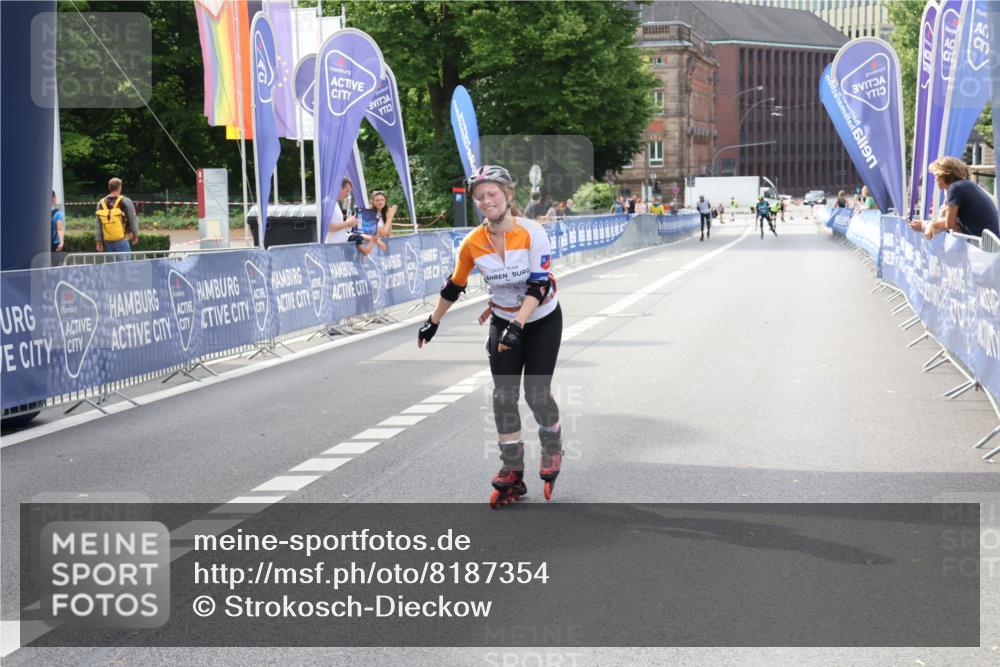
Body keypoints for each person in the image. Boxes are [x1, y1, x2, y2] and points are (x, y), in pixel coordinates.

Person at [416, 165, 564, 508]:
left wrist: (518, 324)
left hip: (540, 317)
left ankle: (552, 445)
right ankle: (512, 469)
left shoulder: (531, 232)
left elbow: (538, 285)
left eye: (492, 194)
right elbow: (455, 285)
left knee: (536, 393)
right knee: (503, 396)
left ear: (508, 195)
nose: (486, 202)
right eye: (480, 197)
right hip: (503, 318)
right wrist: (433, 322)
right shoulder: (473, 242)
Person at [909, 156, 1000, 239]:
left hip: (984, 245)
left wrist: (927, 225)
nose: (935, 180)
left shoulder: (955, 188)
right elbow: (953, 222)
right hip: (991, 242)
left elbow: (950, 224)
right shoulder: (966, 185)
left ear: (943, 175)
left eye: (936, 176)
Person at [95, 178, 139, 253]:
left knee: (111, 264)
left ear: (109, 187)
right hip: (122, 239)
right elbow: (133, 220)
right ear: (120, 187)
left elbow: (98, 225)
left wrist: (99, 242)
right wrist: (135, 235)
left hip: (107, 240)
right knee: (124, 264)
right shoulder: (126, 201)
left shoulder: (101, 203)